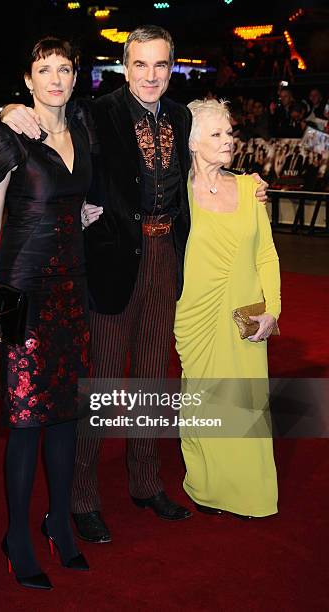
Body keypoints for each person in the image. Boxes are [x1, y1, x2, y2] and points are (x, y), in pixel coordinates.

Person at [0, 25, 269, 544]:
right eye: (140, 64)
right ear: (125, 65)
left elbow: (211, 164)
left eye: (161, 65)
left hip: (167, 258)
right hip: (111, 261)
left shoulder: (184, 115)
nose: (151, 75)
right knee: (101, 386)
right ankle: (81, 499)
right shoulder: (95, 112)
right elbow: (47, 130)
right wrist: (7, 112)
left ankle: (146, 484)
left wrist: (249, 184)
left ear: (172, 66)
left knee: (150, 378)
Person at [0, 37, 102, 589]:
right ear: (28, 79)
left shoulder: (83, 130)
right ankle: (17, 536)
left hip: (73, 289)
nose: (56, 79)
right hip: (21, 292)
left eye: (64, 69)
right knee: (25, 424)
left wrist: (83, 211)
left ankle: (60, 525)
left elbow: (77, 198)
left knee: (66, 416)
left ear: (75, 75)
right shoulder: (8, 136)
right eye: (44, 70)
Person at [174, 99, 280, 518]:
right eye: (216, 134)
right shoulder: (175, 194)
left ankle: (251, 493)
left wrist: (272, 311)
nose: (228, 141)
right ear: (193, 142)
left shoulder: (250, 188)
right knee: (202, 402)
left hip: (245, 312)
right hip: (195, 314)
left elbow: (267, 256)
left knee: (246, 405)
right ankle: (205, 487)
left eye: (229, 133)